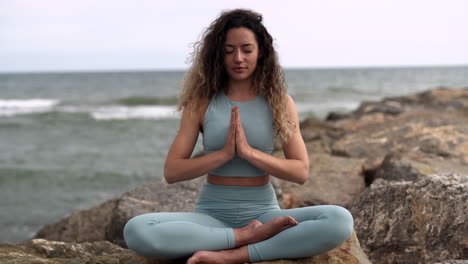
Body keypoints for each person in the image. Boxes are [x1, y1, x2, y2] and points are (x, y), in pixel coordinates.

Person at [123, 9, 354, 264]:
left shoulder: (279, 102)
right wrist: (223, 155)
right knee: (137, 230)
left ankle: (235, 254)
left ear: (261, 52)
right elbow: (173, 171)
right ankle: (242, 237)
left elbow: (300, 172)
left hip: (264, 212)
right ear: (218, 54)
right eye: (229, 50)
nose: (238, 58)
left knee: (339, 220)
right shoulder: (201, 103)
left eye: (247, 49)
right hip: (211, 214)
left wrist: (248, 153)